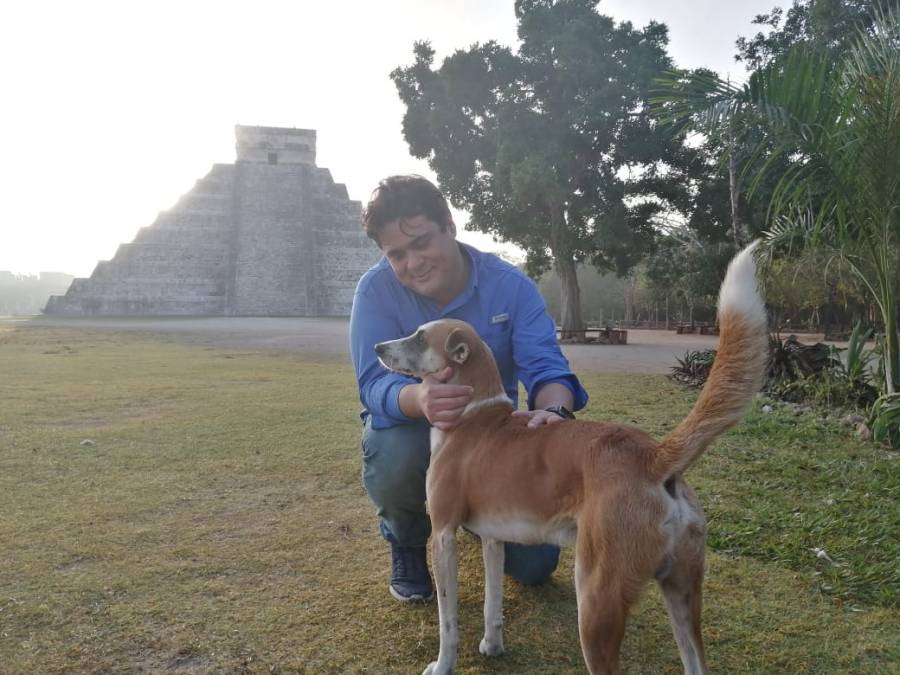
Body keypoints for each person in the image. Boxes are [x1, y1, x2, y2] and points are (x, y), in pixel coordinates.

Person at [349, 175, 588, 602]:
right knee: (395, 448)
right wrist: (419, 399)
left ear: (449, 227)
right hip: (413, 426)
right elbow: (372, 382)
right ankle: (406, 543)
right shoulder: (376, 290)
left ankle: (477, 512)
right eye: (396, 254)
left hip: (491, 440)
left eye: (421, 243)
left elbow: (547, 368)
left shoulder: (509, 286)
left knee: (534, 567)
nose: (412, 263)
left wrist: (556, 414)